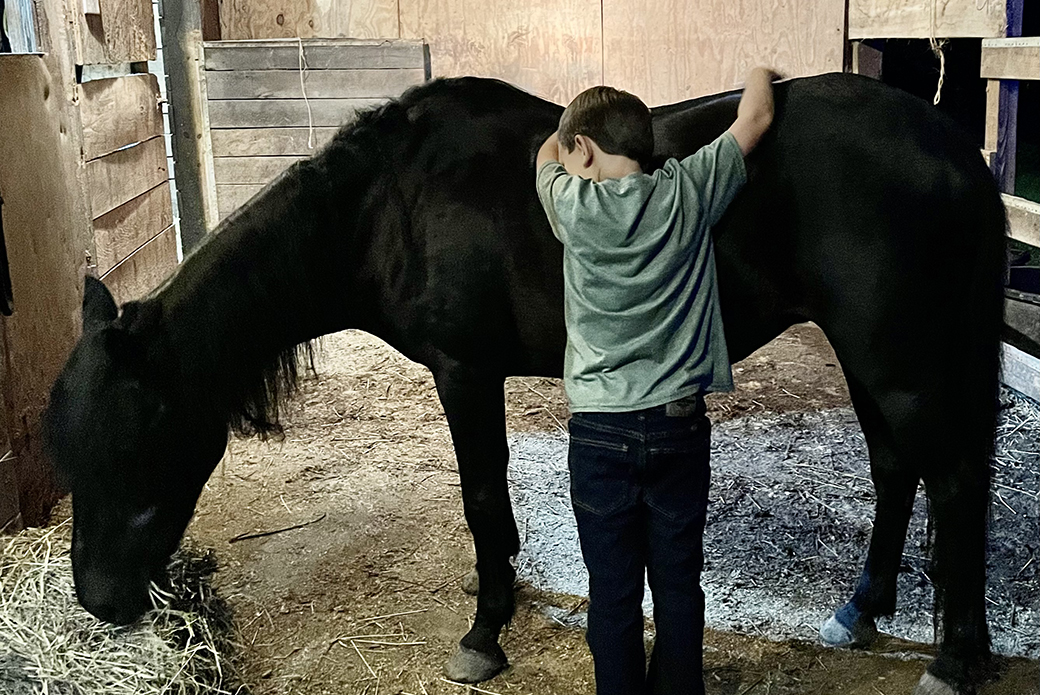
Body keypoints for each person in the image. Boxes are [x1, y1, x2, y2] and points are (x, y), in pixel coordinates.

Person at [534, 67, 779, 695]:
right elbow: (754, 120)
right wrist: (761, 71)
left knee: (611, 595)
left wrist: (558, 143)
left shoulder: (570, 203)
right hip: (678, 428)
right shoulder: (688, 190)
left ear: (581, 151)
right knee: (678, 585)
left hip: (598, 435)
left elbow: (545, 159)